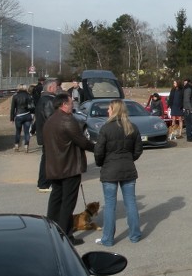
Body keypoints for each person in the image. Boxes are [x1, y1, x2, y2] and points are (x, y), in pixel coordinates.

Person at [44, 92, 94, 245]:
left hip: (54, 167)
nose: (73, 104)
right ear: (64, 104)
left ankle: (50, 230)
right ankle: (65, 235)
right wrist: (98, 149)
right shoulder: (68, 120)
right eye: (71, 102)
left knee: (55, 199)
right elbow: (82, 142)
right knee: (68, 202)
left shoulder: (50, 120)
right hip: (69, 167)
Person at [94, 99, 143, 246]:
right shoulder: (132, 127)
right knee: (131, 202)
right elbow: (138, 150)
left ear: (114, 110)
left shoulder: (106, 128)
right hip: (127, 168)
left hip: (110, 170)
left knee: (110, 205)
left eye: (109, 109)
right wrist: (129, 159)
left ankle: (108, 239)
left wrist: (101, 163)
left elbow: (98, 151)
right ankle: (135, 235)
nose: (107, 111)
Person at [34, 78, 60, 192]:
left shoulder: (42, 99)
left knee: (47, 159)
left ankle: (44, 183)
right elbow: (52, 120)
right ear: (50, 88)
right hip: (50, 136)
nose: (57, 88)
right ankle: (44, 184)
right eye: (55, 87)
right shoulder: (49, 101)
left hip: (45, 135)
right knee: (48, 160)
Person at [10, 84, 34, 153]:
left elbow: (13, 108)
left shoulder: (15, 96)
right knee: (27, 132)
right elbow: (32, 106)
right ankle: (26, 146)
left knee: (18, 131)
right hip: (27, 115)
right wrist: (32, 114)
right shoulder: (29, 96)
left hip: (19, 115)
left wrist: (11, 118)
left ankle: (16, 146)